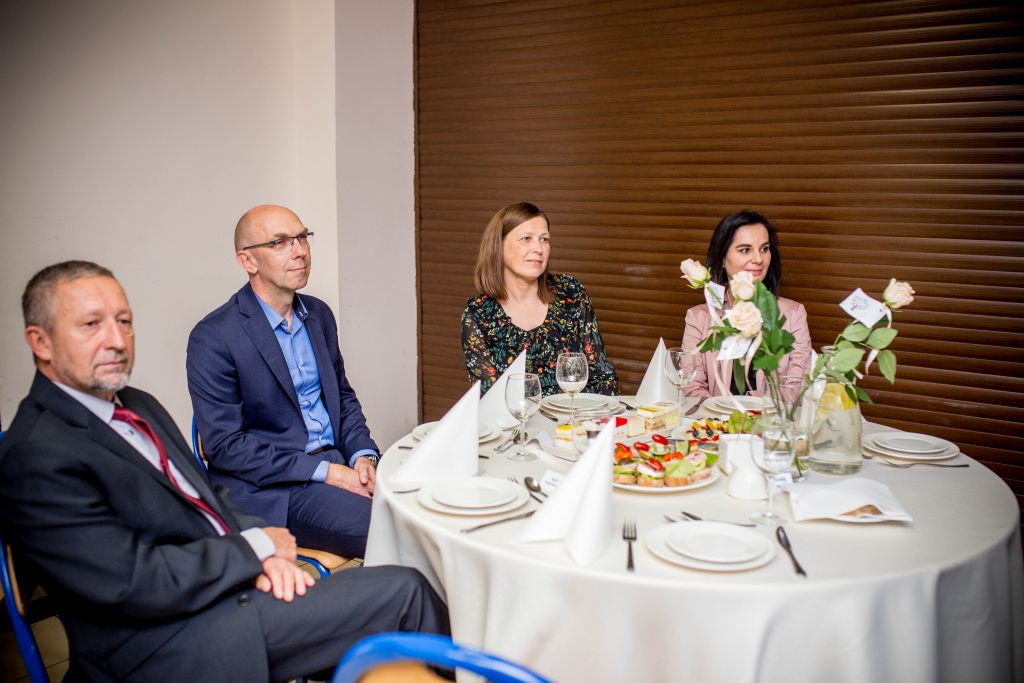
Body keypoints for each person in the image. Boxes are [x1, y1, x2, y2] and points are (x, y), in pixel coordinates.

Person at [0, 261, 449, 683]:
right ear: (41, 342)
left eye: (124, 321)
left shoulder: (136, 405)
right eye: (91, 325)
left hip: (215, 594)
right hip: (160, 644)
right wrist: (253, 551)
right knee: (405, 591)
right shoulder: (37, 454)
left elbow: (209, 498)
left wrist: (263, 549)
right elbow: (130, 582)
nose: (116, 339)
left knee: (384, 602)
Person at [187, 205, 378, 558]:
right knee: (393, 529)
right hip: (274, 488)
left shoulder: (319, 314)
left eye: (302, 237)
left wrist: (362, 456)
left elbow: (342, 397)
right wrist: (329, 474)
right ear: (247, 260)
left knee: (424, 505)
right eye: (279, 242)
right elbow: (226, 446)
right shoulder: (214, 336)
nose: (299, 251)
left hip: (336, 462)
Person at [461, 201, 619, 397]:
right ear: (498, 246)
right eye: (526, 238)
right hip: (519, 418)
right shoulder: (478, 315)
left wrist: (611, 415)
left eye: (544, 239)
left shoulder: (571, 293)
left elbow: (602, 374)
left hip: (579, 415)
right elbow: (491, 400)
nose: (538, 248)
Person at [682, 209, 812, 398]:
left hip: (771, 417)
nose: (759, 259)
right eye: (745, 250)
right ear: (722, 259)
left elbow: (797, 387)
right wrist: (726, 414)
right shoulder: (698, 317)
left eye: (764, 249)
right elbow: (691, 386)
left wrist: (751, 409)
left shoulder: (793, 314)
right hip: (714, 416)